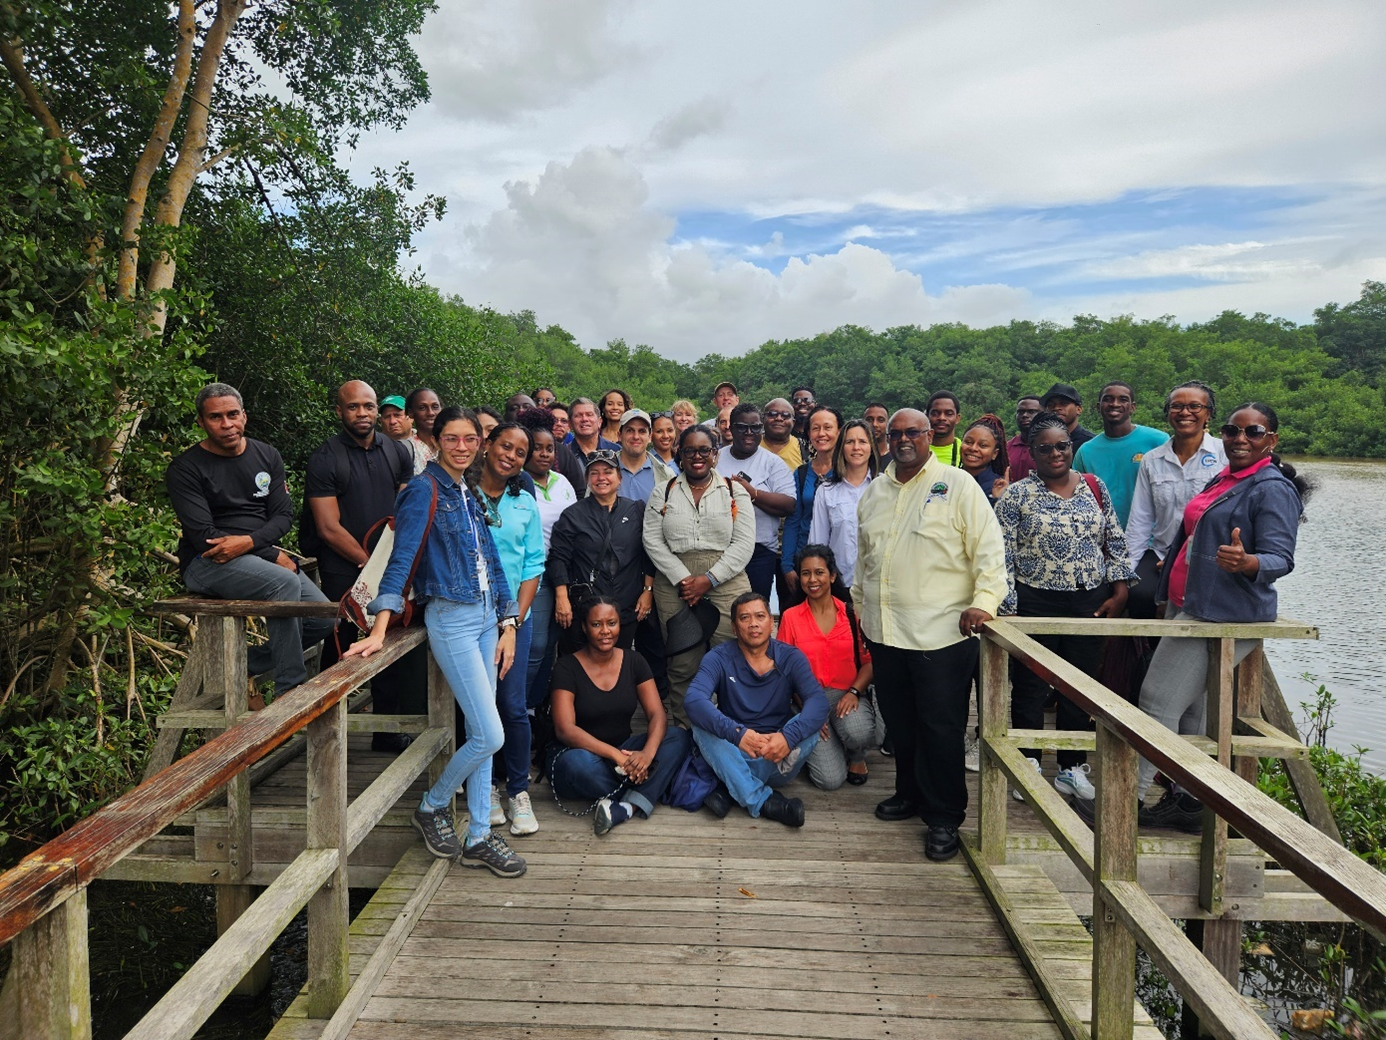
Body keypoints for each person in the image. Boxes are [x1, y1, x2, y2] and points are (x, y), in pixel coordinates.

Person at [344, 405, 525, 877]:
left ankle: (480, 834)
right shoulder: (422, 489)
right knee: (490, 733)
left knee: (485, 737)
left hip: (487, 617)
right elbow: (400, 562)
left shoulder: (467, 490)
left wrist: (509, 623)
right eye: (452, 439)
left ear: (478, 443)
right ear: (436, 441)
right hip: (452, 619)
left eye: (470, 439)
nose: (462, 447)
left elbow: (491, 563)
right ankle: (433, 804)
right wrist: (379, 628)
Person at [1116, 402, 1306, 832]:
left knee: (1156, 701)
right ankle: (1187, 802)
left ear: (1271, 441)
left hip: (1222, 615)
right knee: (1193, 715)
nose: (1240, 439)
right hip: (1190, 605)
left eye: (1253, 433)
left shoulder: (1271, 488)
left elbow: (1281, 557)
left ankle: (1128, 802)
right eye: (1232, 431)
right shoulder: (1227, 477)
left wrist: (1249, 562)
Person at [854, 408, 1008, 862]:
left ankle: (943, 817)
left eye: (912, 433)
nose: (903, 440)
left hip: (942, 632)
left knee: (940, 728)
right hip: (886, 630)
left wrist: (984, 602)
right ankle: (909, 794)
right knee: (901, 723)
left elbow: (988, 551)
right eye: (895, 434)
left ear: (931, 436)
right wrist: (861, 606)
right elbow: (865, 557)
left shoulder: (958, 486)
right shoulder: (875, 491)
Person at [995, 411, 1135, 804]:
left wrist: (1120, 587)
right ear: (1033, 454)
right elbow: (1001, 553)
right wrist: (1008, 607)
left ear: (1071, 448)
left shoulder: (1094, 486)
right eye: (1045, 448)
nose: (1055, 453)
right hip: (1035, 599)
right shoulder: (1018, 495)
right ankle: (1030, 762)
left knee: (1079, 684)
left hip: (1089, 598)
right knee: (1031, 685)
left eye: (1062, 446)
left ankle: (1072, 767)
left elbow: (1114, 537)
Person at [168, 384, 335, 694]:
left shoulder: (266, 454)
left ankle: (244, 662)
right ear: (201, 423)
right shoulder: (185, 468)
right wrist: (269, 553)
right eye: (215, 417)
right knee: (283, 583)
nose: (226, 424)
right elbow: (205, 536)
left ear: (244, 416)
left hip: (256, 553)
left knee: (323, 619)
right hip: (205, 562)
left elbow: (283, 517)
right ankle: (291, 692)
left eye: (233, 414)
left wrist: (258, 548)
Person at [302, 380, 416, 749]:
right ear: (339, 412)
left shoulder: (398, 452)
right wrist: (369, 564)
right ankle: (323, 733)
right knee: (339, 645)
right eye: (354, 407)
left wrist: (391, 563)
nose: (363, 414)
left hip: (388, 566)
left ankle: (384, 733)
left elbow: (405, 510)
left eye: (369, 406)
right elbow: (327, 527)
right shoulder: (325, 458)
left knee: (389, 640)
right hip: (343, 567)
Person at [548, 597, 693, 835]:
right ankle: (648, 789)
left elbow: (657, 713)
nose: (605, 631)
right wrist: (616, 756)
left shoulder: (634, 661)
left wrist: (646, 755)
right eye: (596, 624)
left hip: (625, 751)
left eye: (612, 623)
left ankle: (626, 806)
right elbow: (565, 729)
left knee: (677, 736)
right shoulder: (566, 667)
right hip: (585, 755)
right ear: (584, 627)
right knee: (576, 765)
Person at [643, 425, 755, 724]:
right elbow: (652, 540)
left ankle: (735, 726)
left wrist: (709, 579)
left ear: (715, 455)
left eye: (704, 450)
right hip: (674, 579)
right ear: (679, 454)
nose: (696, 456)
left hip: (726, 577)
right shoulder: (663, 491)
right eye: (689, 450)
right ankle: (685, 728)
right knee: (682, 661)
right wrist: (684, 579)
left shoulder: (734, 491)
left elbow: (744, 544)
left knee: (734, 654)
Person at [686, 592, 827, 826]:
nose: (753, 623)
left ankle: (732, 785)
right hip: (735, 748)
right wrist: (738, 734)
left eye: (760, 616)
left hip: (778, 755)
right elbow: (693, 700)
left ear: (772, 622)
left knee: (811, 723)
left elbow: (818, 701)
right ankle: (763, 801)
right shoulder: (719, 657)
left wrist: (787, 737)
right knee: (700, 725)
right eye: (744, 618)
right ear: (733, 627)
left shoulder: (791, 657)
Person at [475, 422, 547, 836]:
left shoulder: (524, 502)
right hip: (471, 619)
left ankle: (517, 790)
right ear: (488, 446)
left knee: (513, 706)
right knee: (477, 707)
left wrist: (513, 624)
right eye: (506, 446)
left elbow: (533, 564)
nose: (512, 456)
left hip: (516, 620)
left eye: (521, 452)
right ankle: (483, 787)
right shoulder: (463, 497)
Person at [1123, 381, 1225, 620]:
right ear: (1168, 412)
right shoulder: (1152, 460)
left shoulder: (1224, 455)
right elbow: (1140, 520)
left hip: (1208, 555)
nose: (1185, 413)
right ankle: (1149, 655)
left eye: (1194, 406)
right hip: (1161, 551)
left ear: (1208, 413)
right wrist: (1125, 572)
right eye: (1177, 406)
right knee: (1139, 594)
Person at [777, 545, 876, 789]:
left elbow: (869, 663)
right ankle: (831, 742)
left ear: (832, 575)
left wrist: (854, 693)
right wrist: (808, 712)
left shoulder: (852, 613)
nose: (813, 580)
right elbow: (783, 674)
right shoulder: (790, 617)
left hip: (846, 695)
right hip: (807, 700)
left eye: (819, 572)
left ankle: (856, 755)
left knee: (859, 731)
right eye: (805, 573)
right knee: (829, 780)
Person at [548, 450, 655, 654]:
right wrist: (561, 597)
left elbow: (648, 552)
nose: (601, 478)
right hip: (586, 607)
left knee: (621, 662)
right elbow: (558, 558)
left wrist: (647, 591)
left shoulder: (636, 511)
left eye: (607, 471)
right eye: (594, 473)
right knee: (580, 663)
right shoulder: (572, 515)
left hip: (626, 604)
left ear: (619, 477)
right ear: (587, 479)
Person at [518, 410, 577, 708]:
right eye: (537, 448)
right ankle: (519, 706)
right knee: (536, 647)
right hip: (535, 577)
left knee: (551, 646)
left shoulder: (563, 482)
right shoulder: (516, 485)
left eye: (549, 448)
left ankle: (535, 709)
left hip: (563, 575)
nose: (543, 454)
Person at [718, 403, 796, 599]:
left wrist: (752, 493)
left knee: (755, 609)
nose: (749, 433)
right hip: (720, 549)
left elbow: (789, 505)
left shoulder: (772, 462)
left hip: (759, 552)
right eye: (742, 427)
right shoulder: (716, 458)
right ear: (731, 428)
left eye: (755, 427)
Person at [1073, 381, 1169, 526]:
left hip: (1150, 538)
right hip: (1104, 539)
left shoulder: (1158, 441)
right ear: (1098, 407)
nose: (1115, 404)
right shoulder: (1086, 451)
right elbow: (1076, 497)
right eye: (1108, 399)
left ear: (1132, 407)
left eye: (1123, 400)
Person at [780, 405, 843, 605]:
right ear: (808, 433)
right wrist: (788, 565)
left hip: (841, 562)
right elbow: (793, 520)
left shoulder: (850, 472)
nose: (821, 433)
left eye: (828, 427)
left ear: (839, 431)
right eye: (815, 428)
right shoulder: (801, 473)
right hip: (805, 563)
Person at [808, 419, 877, 589]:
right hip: (839, 584)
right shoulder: (826, 491)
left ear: (871, 447)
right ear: (841, 448)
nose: (856, 448)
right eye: (849, 442)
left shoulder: (886, 487)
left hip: (877, 584)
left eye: (862, 442)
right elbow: (818, 545)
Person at [959, 414, 1010, 502]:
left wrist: (998, 500)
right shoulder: (947, 479)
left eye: (983, 445)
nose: (973, 448)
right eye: (968, 442)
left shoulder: (1002, 489)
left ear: (994, 453)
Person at [380, 394, 430, 473]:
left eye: (397, 415)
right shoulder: (376, 447)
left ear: (410, 417)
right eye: (387, 416)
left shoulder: (428, 444)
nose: (392, 421)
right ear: (381, 421)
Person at [615, 408, 657, 504]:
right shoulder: (602, 472)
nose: (636, 437)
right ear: (619, 435)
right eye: (630, 430)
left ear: (650, 437)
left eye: (642, 431)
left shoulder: (665, 475)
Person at [1041, 383, 1096, 449]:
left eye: (1063, 403)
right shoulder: (1042, 442)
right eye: (1050, 405)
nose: (1056, 408)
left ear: (1079, 409)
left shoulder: (1091, 443)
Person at [761, 397, 806, 470]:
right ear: (763, 419)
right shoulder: (750, 445)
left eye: (785, 415)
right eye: (772, 414)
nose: (779, 418)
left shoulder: (805, 449)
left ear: (793, 422)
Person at [926, 391, 963, 466]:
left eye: (948, 414)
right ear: (926, 417)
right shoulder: (916, 449)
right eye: (935, 413)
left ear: (957, 418)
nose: (941, 418)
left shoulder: (964, 452)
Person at [406, 387, 442, 460]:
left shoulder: (452, 445)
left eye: (435, 407)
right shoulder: (405, 450)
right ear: (411, 412)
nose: (430, 413)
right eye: (422, 408)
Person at [650, 411, 679, 480]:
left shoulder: (682, 461)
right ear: (650, 435)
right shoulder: (645, 460)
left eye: (670, 430)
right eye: (659, 431)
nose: (666, 436)